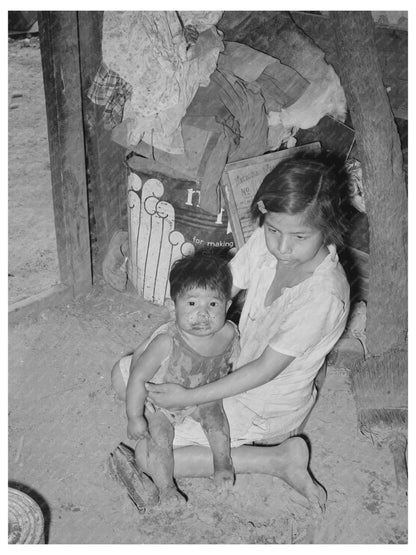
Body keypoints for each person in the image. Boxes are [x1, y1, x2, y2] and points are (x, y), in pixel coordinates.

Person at [143, 153, 351, 513]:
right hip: (230, 366)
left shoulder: (323, 296)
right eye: (273, 230)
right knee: (127, 376)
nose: (282, 247)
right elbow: (225, 288)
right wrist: (184, 331)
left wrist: (186, 398)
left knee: (148, 453)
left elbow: (261, 372)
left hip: (263, 404)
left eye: (300, 236)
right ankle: (217, 424)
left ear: (327, 229)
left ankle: (277, 458)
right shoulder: (267, 241)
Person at [111, 251, 240, 505]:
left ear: (226, 306)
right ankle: (167, 488)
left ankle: (222, 463)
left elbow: (236, 362)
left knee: (216, 420)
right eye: (191, 304)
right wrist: (135, 416)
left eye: (212, 305)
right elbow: (138, 378)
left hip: (203, 395)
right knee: (160, 437)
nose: (202, 314)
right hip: (163, 404)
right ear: (173, 308)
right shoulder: (167, 341)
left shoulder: (229, 333)